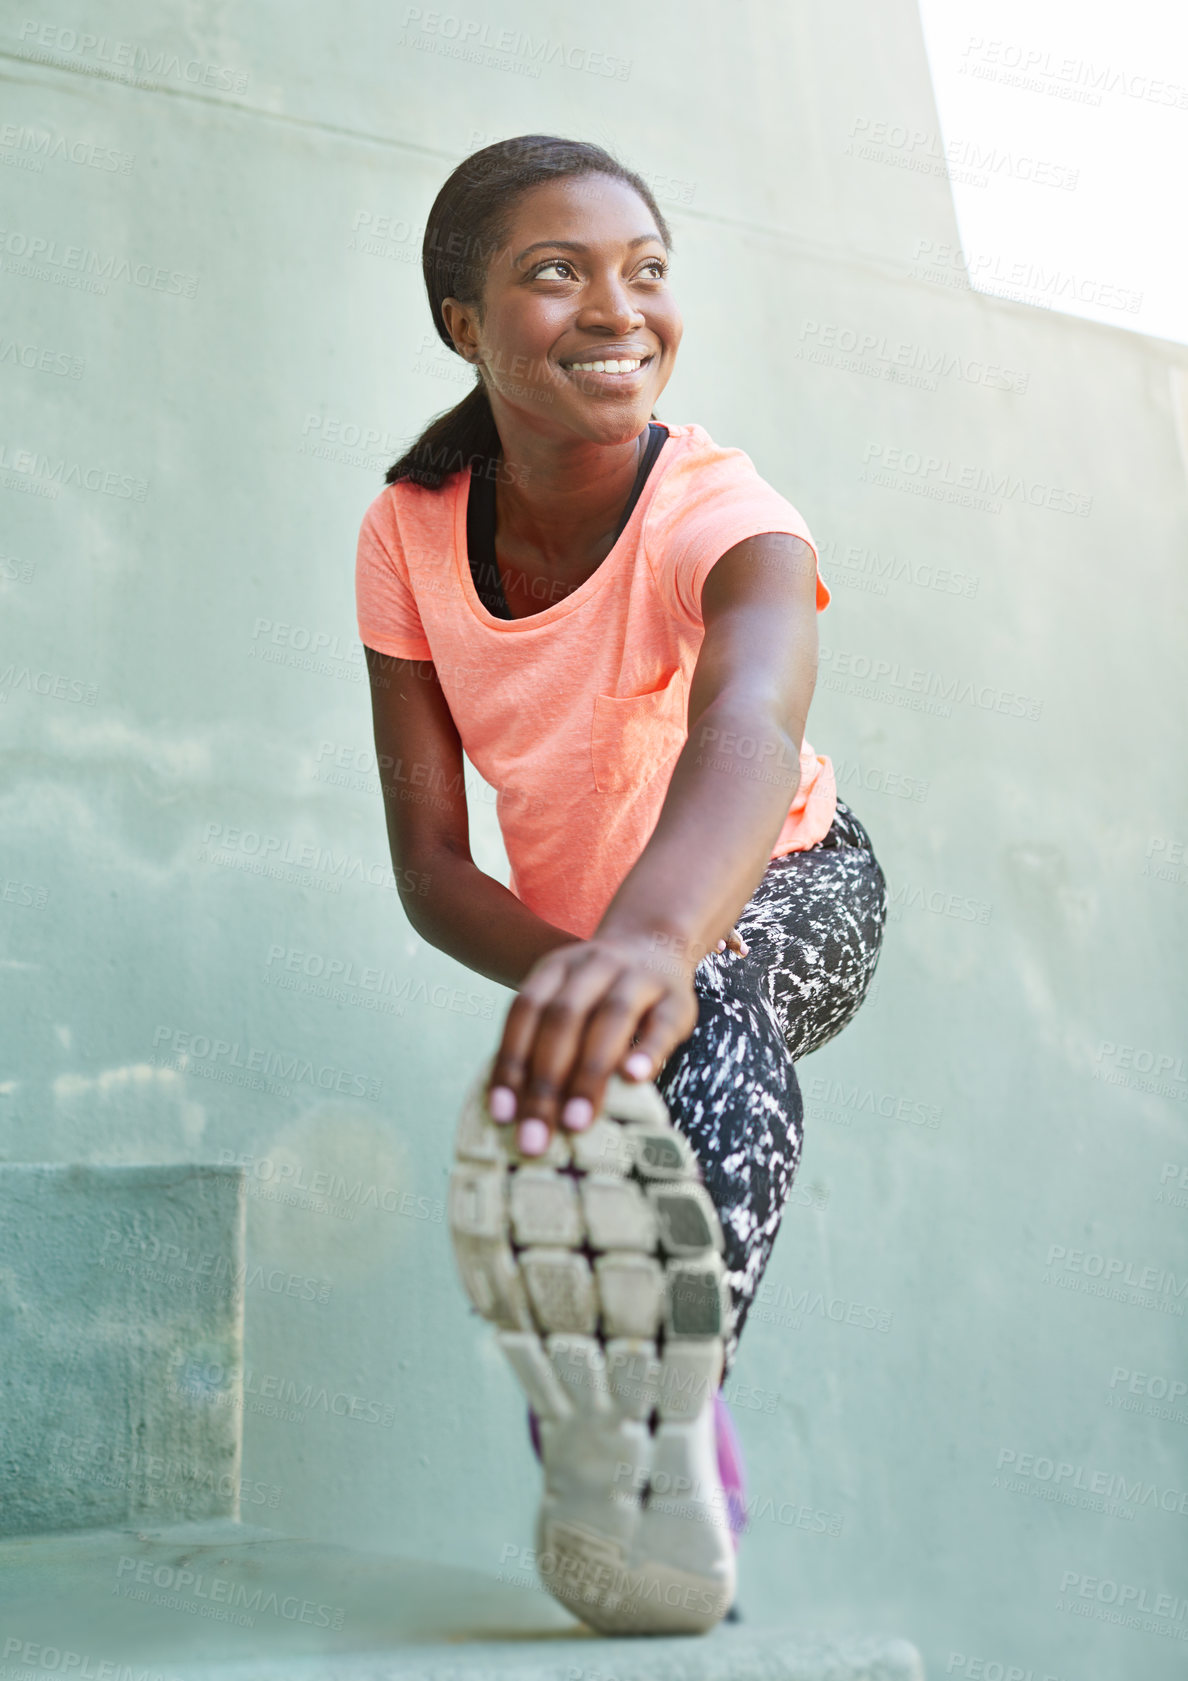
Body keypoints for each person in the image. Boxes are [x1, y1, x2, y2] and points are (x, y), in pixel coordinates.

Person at [356, 135, 888, 1634]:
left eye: (647, 274)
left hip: (792, 878)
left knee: (707, 1004)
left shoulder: (722, 505)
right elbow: (431, 863)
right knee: (612, 1093)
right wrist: (588, 975)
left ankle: (657, 1409)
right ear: (463, 320)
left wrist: (649, 944)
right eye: (556, 274)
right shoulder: (408, 532)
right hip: (613, 942)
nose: (618, 309)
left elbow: (750, 719)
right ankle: (638, 1465)